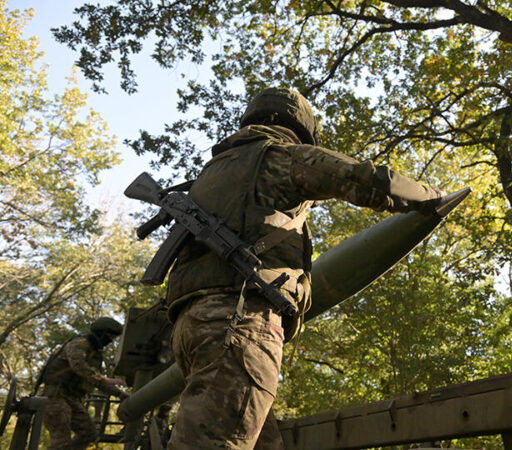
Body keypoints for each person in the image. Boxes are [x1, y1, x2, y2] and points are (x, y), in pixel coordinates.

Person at [164, 87, 443, 449]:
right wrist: (429, 195)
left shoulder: (211, 174)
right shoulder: (280, 157)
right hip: (241, 322)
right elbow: (362, 179)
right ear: (300, 129)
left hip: (191, 327)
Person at [41, 317, 129, 450]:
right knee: (61, 439)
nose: (111, 340)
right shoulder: (79, 343)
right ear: (101, 332)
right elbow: (78, 365)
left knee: (89, 433)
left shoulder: (96, 355)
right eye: (110, 336)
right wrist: (103, 378)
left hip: (73, 398)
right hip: (56, 395)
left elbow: (98, 382)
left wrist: (119, 393)